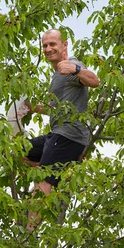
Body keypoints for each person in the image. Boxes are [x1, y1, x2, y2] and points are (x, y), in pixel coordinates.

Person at [24, 29, 100, 231]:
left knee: (41, 184)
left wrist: (75, 69)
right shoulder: (56, 75)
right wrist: (32, 108)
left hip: (69, 136)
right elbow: (54, 109)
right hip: (56, 134)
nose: (48, 49)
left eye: (52, 44)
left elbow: (94, 81)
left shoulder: (71, 65)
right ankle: (54, 167)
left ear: (64, 45)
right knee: (17, 151)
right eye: (45, 45)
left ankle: (25, 236)